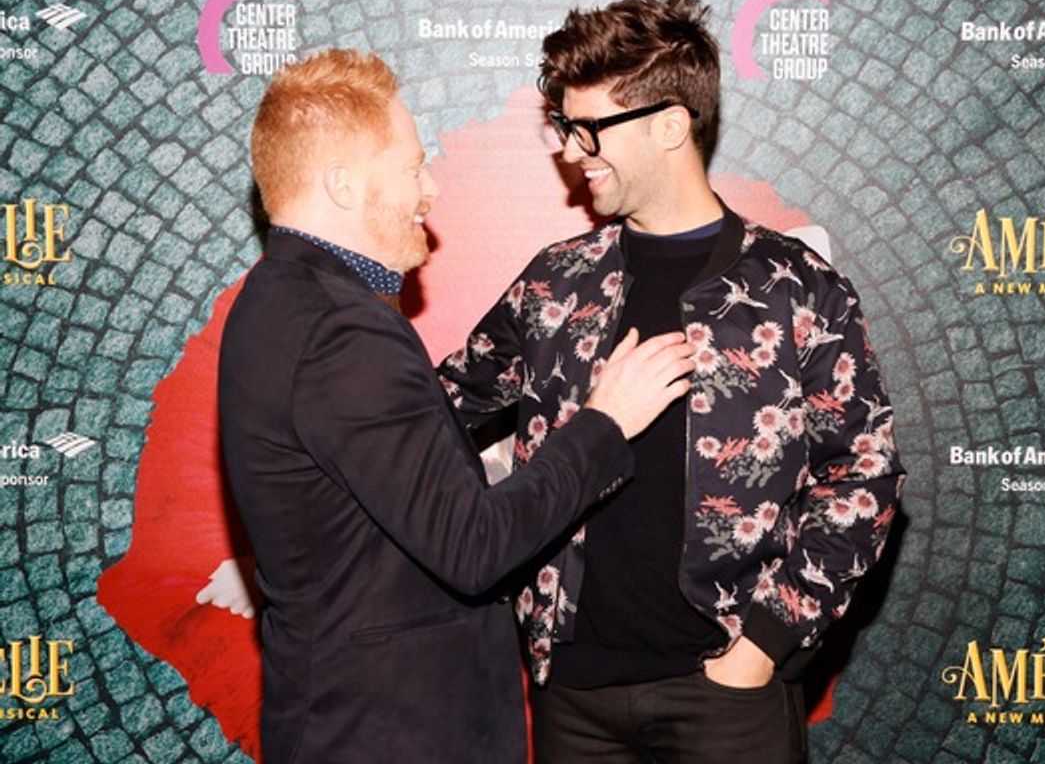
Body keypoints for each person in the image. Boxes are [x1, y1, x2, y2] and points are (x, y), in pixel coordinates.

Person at [438, 0, 905, 763]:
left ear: (668, 126)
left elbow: (864, 472)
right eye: (564, 129)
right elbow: (436, 413)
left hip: (725, 695)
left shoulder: (792, 286)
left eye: (587, 130)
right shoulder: (557, 283)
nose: (567, 150)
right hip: (574, 695)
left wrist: (762, 646)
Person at [218, 48, 695, 764]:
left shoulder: (277, 300)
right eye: (411, 166)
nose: (430, 188)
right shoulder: (338, 329)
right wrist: (606, 421)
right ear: (344, 186)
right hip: (394, 733)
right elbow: (473, 548)